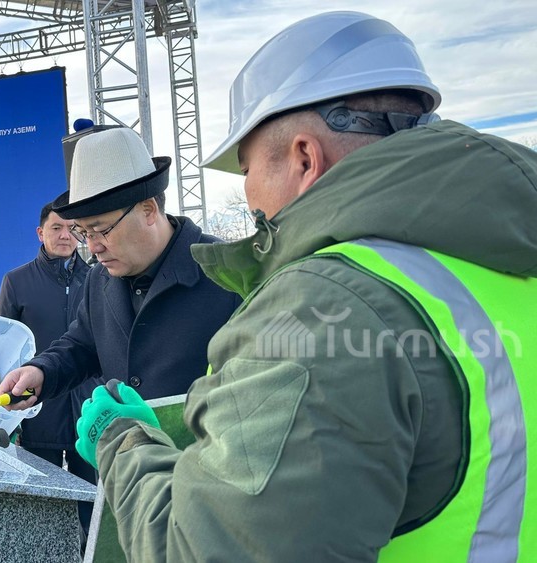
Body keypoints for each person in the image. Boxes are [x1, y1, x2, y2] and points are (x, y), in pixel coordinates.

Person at [70, 11, 537, 561]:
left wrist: (124, 442)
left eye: (247, 169)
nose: (249, 196)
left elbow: (209, 550)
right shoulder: (501, 261)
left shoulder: (322, 307)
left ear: (304, 158)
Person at [0, 126, 241, 415]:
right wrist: (42, 372)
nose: (93, 247)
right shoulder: (98, 279)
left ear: (148, 210)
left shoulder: (228, 274)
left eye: (101, 230)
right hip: (127, 444)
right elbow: (82, 345)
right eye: (83, 233)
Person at [0, 202, 100, 536]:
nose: (65, 235)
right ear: (40, 233)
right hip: (38, 412)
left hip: (90, 411)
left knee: (94, 506)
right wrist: (10, 417)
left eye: (72, 228)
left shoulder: (100, 278)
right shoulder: (16, 281)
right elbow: (3, 349)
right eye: (56, 228)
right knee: (43, 509)